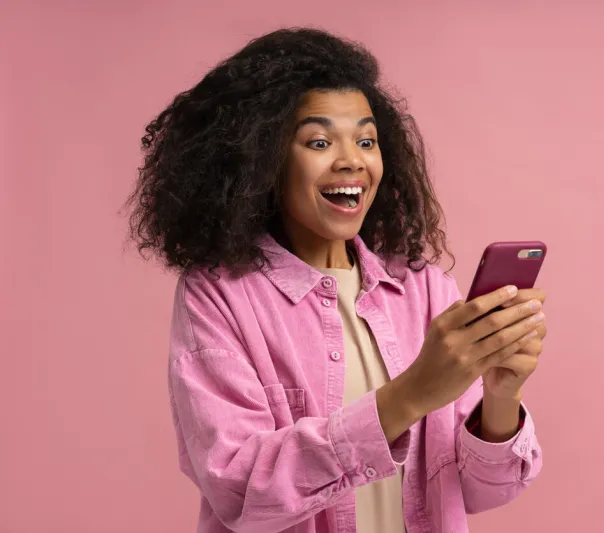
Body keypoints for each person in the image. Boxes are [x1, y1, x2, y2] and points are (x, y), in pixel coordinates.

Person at [127, 27, 548, 533]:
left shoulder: (426, 290)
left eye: (366, 140)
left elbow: (479, 491)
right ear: (264, 160)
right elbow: (238, 489)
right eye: (320, 141)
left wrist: (502, 396)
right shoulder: (219, 296)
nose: (352, 160)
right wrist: (411, 394)